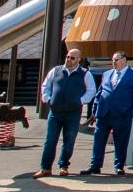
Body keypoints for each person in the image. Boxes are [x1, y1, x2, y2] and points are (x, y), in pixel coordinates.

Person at [34, 46, 95, 177]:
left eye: (72, 58)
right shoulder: (56, 71)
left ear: (78, 59)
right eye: (67, 56)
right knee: (50, 139)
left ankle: (64, 166)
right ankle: (45, 168)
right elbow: (45, 85)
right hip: (55, 112)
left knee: (69, 140)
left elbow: (91, 90)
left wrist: (80, 101)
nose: (68, 59)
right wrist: (47, 99)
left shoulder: (85, 73)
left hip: (73, 112)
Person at [83, 52, 133, 176]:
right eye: (112, 59)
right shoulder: (107, 74)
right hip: (104, 113)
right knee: (98, 140)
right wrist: (95, 110)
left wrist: (131, 111)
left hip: (122, 114)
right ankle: (95, 166)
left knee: (121, 141)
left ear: (124, 59)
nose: (113, 62)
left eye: (116, 59)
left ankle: (119, 166)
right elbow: (100, 92)